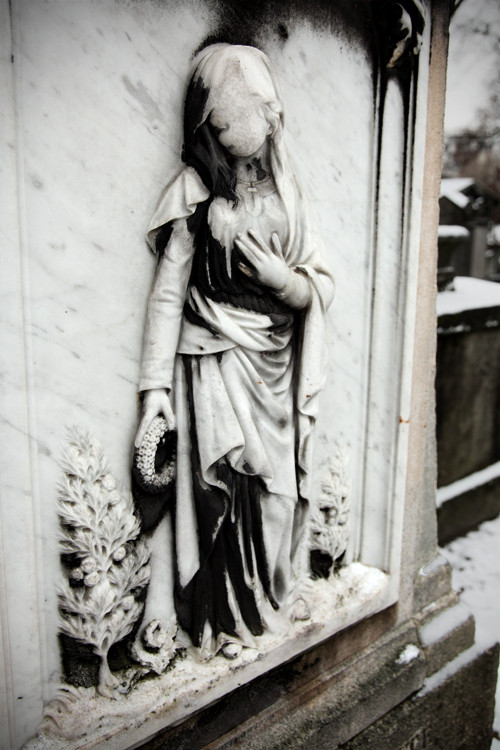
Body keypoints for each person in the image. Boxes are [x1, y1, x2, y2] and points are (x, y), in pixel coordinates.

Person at [135, 44, 334, 660]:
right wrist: (154, 393)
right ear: (207, 129)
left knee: (275, 496)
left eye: (258, 118)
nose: (247, 136)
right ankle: (223, 626)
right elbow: (167, 297)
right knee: (226, 487)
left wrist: (285, 282)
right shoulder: (195, 195)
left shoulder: (289, 192)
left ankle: (265, 606)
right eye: (224, 127)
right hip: (215, 361)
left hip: (274, 366)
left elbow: (319, 285)